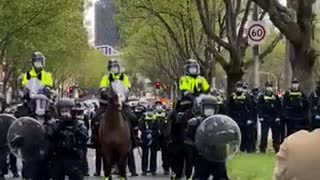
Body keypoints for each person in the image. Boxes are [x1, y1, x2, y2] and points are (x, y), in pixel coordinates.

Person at [187, 95, 229, 180]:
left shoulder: (221, 123)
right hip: (202, 157)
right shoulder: (195, 122)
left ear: (216, 109)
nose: (209, 110)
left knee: (221, 177)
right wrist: (196, 145)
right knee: (199, 177)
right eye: (207, 107)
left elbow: (227, 136)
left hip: (217, 157)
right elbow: (188, 139)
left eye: (211, 108)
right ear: (202, 108)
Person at [49, 98, 88, 180]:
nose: (65, 113)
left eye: (67, 110)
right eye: (62, 110)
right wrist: (59, 126)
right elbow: (49, 136)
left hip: (73, 156)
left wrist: (74, 125)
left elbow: (84, 138)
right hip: (58, 157)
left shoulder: (78, 123)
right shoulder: (54, 123)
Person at [226, 81, 254, 153]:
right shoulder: (232, 96)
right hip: (234, 117)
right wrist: (228, 118)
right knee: (234, 135)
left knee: (244, 134)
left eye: (240, 87)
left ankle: (243, 148)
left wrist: (250, 118)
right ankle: (234, 149)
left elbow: (250, 108)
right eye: (238, 87)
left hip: (243, 117)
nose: (239, 88)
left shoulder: (246, 96)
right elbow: (228, 108)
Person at [257, 82, 281, 153]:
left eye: (270, 86)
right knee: (264, 135)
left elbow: (279, 107)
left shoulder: (275, 97)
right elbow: (259, 107)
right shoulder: (262, 97)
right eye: (268, 86)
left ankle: (276, 148)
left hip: (274, 119)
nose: (269, 88)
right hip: (265, 118)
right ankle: (262, 149)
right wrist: (260, 116)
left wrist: (278, 117)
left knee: (276, 135)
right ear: (265, 87)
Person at [140, 109, 161, 176]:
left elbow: (158, 128)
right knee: (145, 155)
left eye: (151, 111)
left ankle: (153, 170)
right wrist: (145, 134)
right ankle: (144, 170)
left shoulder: (155, 119)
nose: (150, 112)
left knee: (153, 155)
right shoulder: (143, 118)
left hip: (154, 139)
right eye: (149, 111)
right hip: (145, 139)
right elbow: (141, 127)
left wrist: (152, 134)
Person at [154, 101, 170, 175]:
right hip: (155, 137)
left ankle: (166, 168)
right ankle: (152, 169)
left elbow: (168, 124)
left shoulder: (166, 114)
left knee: (165, 154)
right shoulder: (153, 114)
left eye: (159, 105)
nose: (158, 106)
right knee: (153, 153)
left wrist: (165, 133)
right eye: (157, 105)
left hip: (164, 137)